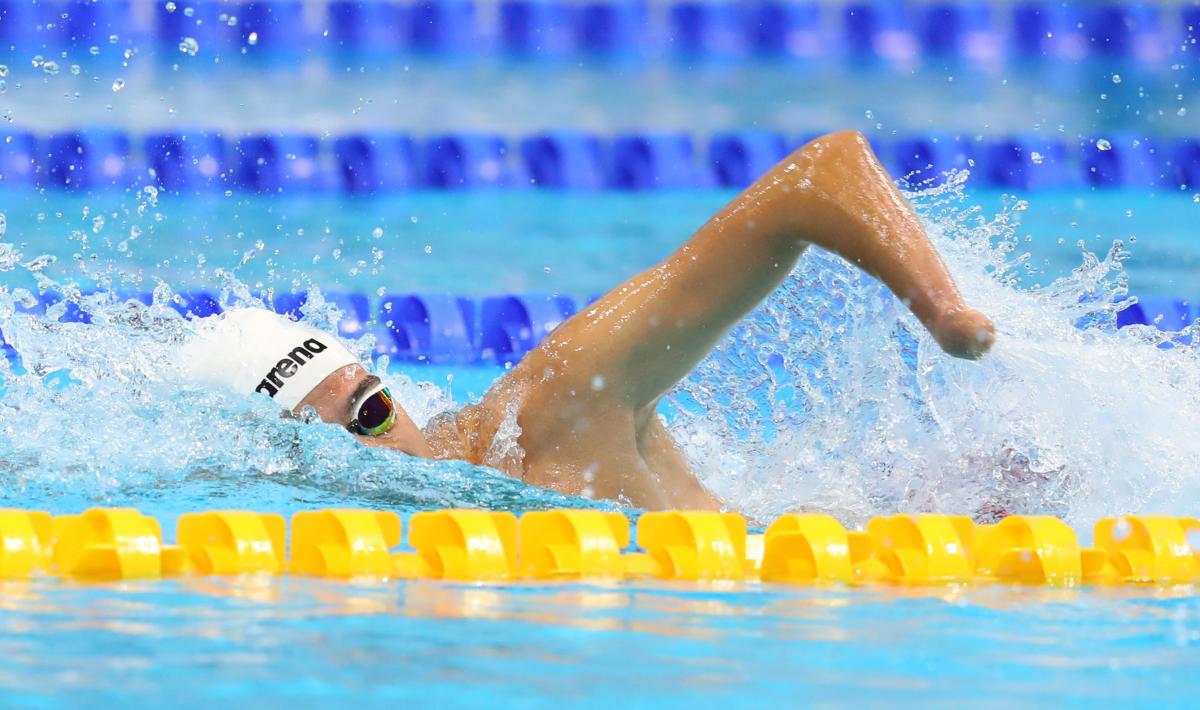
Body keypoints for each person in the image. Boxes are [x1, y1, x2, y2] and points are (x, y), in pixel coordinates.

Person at [185, 131, 995, 511]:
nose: (378, 451)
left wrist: (944, 312)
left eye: (370, 409)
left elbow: (821, 172)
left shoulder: (555, 410)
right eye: (330, 447)